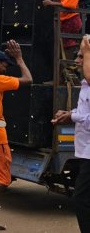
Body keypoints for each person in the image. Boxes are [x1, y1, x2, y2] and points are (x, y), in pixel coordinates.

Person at [0, 43, 32, 204]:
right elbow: (28, 79)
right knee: (2, 179)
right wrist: (19, 59)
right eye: (4, 64)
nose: (6, 68)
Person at [52, 36, 90, 232]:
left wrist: (73, 117)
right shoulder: (85, 86)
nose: (76, 61)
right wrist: (71, 114)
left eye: (81, 57)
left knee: (82, 199)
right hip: (85, 152)